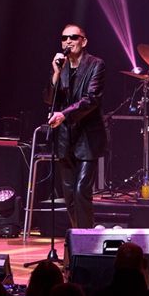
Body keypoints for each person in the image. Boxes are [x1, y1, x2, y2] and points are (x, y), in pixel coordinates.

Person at [44, 23, 106, 229]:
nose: (68, 41)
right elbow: (49, 99)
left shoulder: (96, 64)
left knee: (81, 191)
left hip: (87, 138)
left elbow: (91, 99)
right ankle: (78, 238)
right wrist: (55, 73)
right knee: (69, 196)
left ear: (83, 41)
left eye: (73, 37)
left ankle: (86, 241)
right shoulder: (61, 68)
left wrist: (64, 114)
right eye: (64, 38)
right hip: (64, 138)